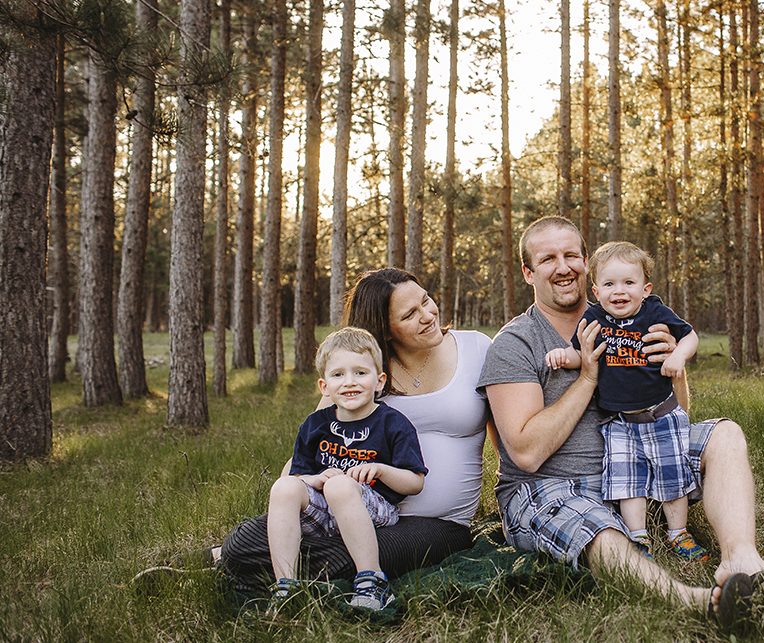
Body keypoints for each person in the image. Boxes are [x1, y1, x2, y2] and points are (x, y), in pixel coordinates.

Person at [478, 216, 764, 631]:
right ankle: (700, 602)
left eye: (571, 255)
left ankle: (741, 558)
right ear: (529, 272)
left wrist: (673, 366)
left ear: (586, 263)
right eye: (547, 259)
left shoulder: (631, 317)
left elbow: (678, 414)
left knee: (725, 433)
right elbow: (526, 453)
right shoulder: (516, 343)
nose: (562, 267)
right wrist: (587, 377)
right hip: (553, 486)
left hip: (639, 458)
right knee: (599, 530)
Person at [218, 269, 492, 604]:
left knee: (345, 559)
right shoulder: (359, 372)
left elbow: (507, 438)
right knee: (245, 540)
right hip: (348, 510)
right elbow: (313, 446)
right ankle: (241, 559)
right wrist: (310, 481)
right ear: (384, 331)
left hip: (437, 524)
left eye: (426, 301)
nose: (428, 315)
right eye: (409, 314)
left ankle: (246, 567)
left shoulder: (477, 348)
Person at [543, 241, 707, 562]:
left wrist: (679, 355)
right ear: (596, 289)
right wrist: (566, 356)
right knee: (626, 480)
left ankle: (678, 533)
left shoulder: (655, 311)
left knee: (672, 475)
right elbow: (584, 356)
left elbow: (690, 336)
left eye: (628, 283)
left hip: (660, 414)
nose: (619, 291)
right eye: (609, 284)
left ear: (645, 289)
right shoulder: (594, 318)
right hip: (618, 422)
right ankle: (638, 537)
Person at [267, 327, 427, 612]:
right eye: (338, 374)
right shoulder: (315, 424)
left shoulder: (393, 424)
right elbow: (296, 475)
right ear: (324, 386)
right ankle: (286, 588)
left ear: (379, 381)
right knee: (283, 487)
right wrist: (314, 479)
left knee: (339, 486)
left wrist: (379, 470)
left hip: (374, 507)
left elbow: (414, 483)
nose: (349, 382)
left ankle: (372, 581)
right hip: (324, 507)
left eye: (360, 373)